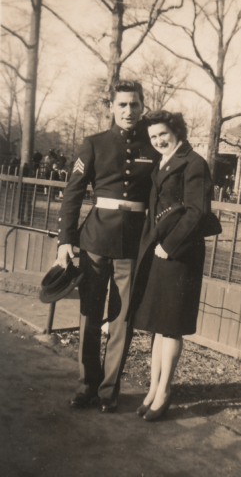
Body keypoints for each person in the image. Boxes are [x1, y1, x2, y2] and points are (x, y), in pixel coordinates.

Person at [55, 80, 160, 413]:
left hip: (134, 243)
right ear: (111, 108)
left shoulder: (153, 148)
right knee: (89, 312)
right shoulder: (94, 144)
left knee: (123, 318)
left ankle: (108, 390)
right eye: (122, 105)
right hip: (96, 239)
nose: (129, 111)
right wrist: (65, 241)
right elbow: (72, 194)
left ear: (143, 107)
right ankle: (87, 385)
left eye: (135, 104)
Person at [126, 110, 214, 421]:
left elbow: (197, 212)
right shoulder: (162, 162)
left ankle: (164, 390)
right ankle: (153, 389)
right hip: (159, 251)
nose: (159, 140)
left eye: (163, 133)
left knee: (171, 325)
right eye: (153, 137)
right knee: (158, 325)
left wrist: (169, 245)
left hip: (180, 254)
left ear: (177, 130)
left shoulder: (194, 163)